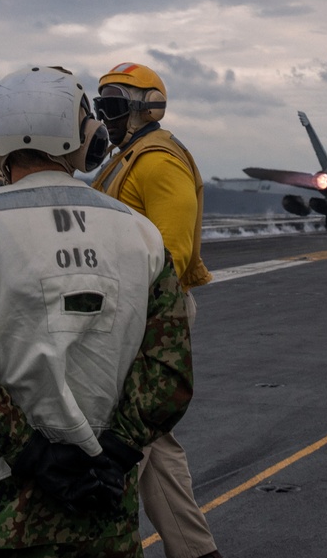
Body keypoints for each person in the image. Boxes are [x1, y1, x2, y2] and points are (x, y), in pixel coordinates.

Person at [0, 65, 195, 557]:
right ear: (89, 140)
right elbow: (169, 371)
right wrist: (116, 453)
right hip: (104, 513)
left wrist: (35, 454)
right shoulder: (141, 234)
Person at [91, 62, 220, 558]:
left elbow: (173, 253)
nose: (107, 116)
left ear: (147, 108)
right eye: (103, 106)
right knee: (155, 445)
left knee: (124, 439)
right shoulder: (129, 159)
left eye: (115, 106)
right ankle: (196, 551)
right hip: (136, 310)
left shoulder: (159, 161)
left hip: (148, 315)